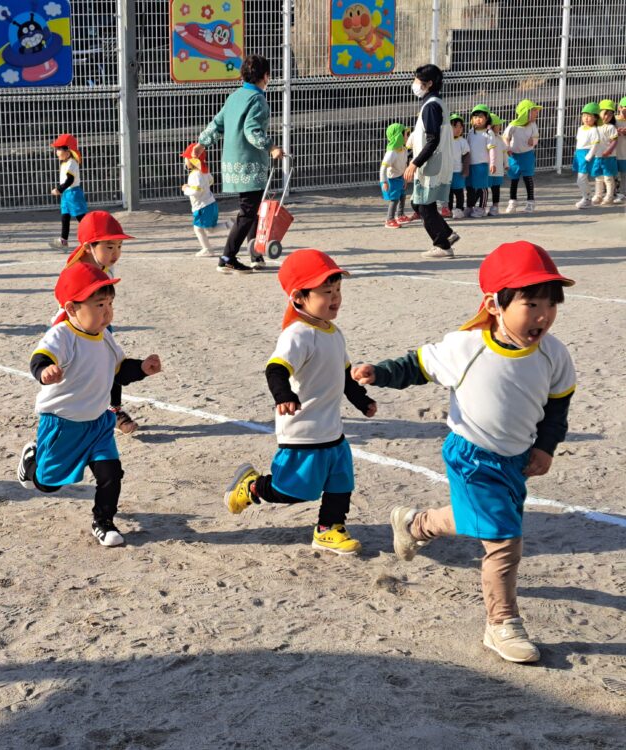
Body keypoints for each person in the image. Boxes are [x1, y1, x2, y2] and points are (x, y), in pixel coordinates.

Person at [352, 241, 574, 664]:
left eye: (551, 304)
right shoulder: (467, 346)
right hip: (471, 456)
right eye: (531, 303)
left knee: (479, 521)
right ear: (494, 305)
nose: (543, 315)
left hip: (516, 459)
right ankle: (501, 623)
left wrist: (546, 447)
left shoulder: (554, 354)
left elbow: (557, 405)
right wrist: (379, 372)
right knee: (503, 539)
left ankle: (416, 524)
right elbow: (417, 365)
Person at [223, 249, 377, 555]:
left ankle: (328, 529)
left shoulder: (334, 332)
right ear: (298, 298)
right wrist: (284, 396)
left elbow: (343, 373)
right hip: (303, 429)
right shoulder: (298, 334)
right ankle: (252, 487)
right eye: (326, 292)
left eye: (337, 290)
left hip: (332, 430)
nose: (335, 298)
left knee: (341, 482)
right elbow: (276, 369)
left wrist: (361, 400)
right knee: (294, 490)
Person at [17, 262, 162, 547]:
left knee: (111, 473)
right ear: (72, 308)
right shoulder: (62, 335)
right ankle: (32, 460)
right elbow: (40, 358)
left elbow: (119, 371)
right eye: (99, 305)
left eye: (110, 304)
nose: (107, 312)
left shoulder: (105, 336)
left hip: (98, 424)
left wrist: (142, 368)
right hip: (63, 424)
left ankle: (103, 522)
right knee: (48, 484)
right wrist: (45, 371)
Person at [192, 54, 284, 274]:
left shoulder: (234, 97)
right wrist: (271, 147)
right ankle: (227, 258)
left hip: (231, 163)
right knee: (248, 211)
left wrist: (202, 143)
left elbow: (217, 123)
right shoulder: (258, 99)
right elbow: (252, 130)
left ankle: (255, 254)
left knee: (254, 208)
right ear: (266, 76)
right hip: (250, 163)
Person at [54, 211, 141, 434]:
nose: (116, 253)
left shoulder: (103, 263)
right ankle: (70, 417)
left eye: (119, 246)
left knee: (111, 361)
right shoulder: (76, 271)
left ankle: (114, 411)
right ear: (88, 246)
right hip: (77, 328)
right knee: (81, 371)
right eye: (109, 247)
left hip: (100, 323)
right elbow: (64, 302)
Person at [403, 65, 457, 259]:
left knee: (424, 205)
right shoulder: (435, 102)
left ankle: (443, 245)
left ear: (429, 83)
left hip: (431, 163)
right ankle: (447, 234)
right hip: (435, 161)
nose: (415, 84)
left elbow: (432, 140)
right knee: (420, 203)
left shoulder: (431, 106)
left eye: (418, 80)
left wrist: (414, 163)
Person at [180, 143, 231, 255]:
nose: (185, 160)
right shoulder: (204, 171)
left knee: (198, 228)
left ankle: (207, 249)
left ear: (193, 160)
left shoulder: (195, 175)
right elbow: (211, 181)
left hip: (203, 207)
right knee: (209, 229)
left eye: (186, 158)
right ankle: (230, 225)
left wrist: (186, 189)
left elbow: (196, 192)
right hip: (211, 204)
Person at [49, 134, 88, 250]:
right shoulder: (64, 163)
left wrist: (59, 189)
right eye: (56, 149)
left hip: (73, 194)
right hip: (66, 194)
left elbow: (70, 180)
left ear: (68, 150)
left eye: (59, 149)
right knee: (65, 218)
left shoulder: (72, 163)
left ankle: (91, 238)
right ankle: (63, 241)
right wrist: (62, 191)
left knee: (81, 218)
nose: (57, 152)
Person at [503, 99, 542, 213]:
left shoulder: (533, 125)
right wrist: (507, 148)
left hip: (527, 156)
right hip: (514, 157)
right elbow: (505, 137)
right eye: (534, 111)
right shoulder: (513, 125)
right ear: (526, 112)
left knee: (528, 178)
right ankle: (512, 202)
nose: (537, 113)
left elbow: (536, 137)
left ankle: (530, 202)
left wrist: (533, 141)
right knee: (514, 180)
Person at [465, 104, 492, 218]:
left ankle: (482, 208)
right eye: (475, 117)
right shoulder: (471, 132)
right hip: (470, 164)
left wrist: (493, 163)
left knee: (482, 187)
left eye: (481, 117)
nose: (478, 119)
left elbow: (492, 150)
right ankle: (470, 206)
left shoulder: (488, 133)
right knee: (470, 187)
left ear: (487, 118)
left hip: (482, 164)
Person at [379, 123, 409, 228]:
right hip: (392, 179)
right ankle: (389, 219)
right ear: (399, 136)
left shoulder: (403, 149)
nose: (407, 137)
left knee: (402, 195)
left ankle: (400, 215)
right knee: (394, 198)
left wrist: (405, 179)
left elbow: (404, 164)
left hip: (400, 177)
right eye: (406, 134)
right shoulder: (391, 152)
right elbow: (383, 168)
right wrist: (384, 181)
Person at [591, 100, 620, 206]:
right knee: (598, 177)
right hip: (597, 156)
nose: (608, 116)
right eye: (605, 113)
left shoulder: (611, 127)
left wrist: (609, 151)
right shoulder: (594, 127)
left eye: (611, 114)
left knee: (608, 177)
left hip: (609, 157)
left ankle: (609, 196)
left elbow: (615, 141)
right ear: (598, 112)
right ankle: (598, 195)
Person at [573, 102, 601, 209]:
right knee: (581, 179)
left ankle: (587, 199)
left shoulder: (594, 130)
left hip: (586, 155)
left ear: (595, 118)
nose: (586, 118)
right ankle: (587, 198)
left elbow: (595, 145)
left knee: (581, 179)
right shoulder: (580, 128)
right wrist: (576, 153)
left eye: (589, 116)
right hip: (579, 154)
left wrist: (588, 157)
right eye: (584, 115)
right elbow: (579, 142)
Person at [445, 114, 470, 219]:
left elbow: (466, 156)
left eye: (460, 127)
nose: (458, 129)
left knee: (459, 191)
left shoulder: (462, 141)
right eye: (455, 126)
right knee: (448, 192)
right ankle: (449, 209)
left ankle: (460, 209)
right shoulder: (445, 141)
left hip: (458, 171)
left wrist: (465, 170)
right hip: (447, 172)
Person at [486, 113, 507, 216]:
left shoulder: (500, 139)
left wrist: (506, 164)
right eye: (498, 124)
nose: (500, 127)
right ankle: (481, 206)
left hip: (498, 169)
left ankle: (495, 206)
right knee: (484, 188)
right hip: (488, 169)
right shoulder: (487, 137)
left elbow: (504, 152)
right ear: (492, 126)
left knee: (496, 189)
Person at [615, 96, 626, 203]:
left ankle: (622, 193)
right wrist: (615, 132)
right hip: (613, 153)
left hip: (624, 154)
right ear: (619, 107)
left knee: (624, 174)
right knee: (612, 174)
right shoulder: (613, 120)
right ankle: (612, 191)